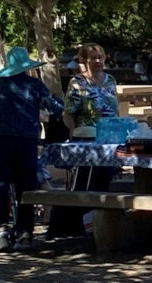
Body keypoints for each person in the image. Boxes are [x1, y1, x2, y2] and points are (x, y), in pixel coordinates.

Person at [0, 46, 64, 248]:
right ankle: (25, 232)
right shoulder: (35, 85)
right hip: (26, 140)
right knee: (26, 186)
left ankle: (1, 228)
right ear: (26, 66)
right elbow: (55, 109)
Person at [52, 42, 122, 239]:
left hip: (109, 139)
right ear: (84, 60)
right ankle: (77, 225)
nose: (98, 61)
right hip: (86, 138)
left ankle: (99, 225)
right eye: (93, 58)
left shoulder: (110, 81)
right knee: (85, 182)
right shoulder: (78, 83)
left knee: (104, 181)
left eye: (100, 57)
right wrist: (74, 134)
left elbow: (115, 108)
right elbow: (68, 114)